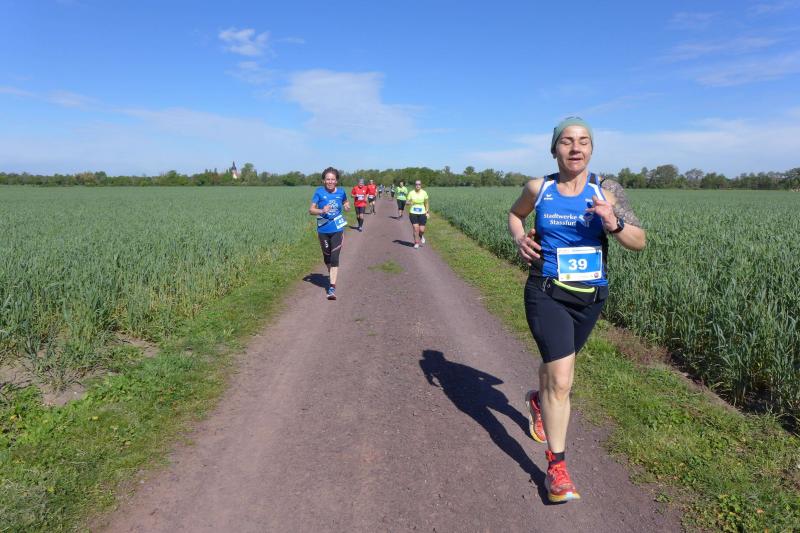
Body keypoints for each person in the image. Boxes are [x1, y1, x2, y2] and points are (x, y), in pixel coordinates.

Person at [508, 117, 646, 503]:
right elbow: (515, 215)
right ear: (554, 149)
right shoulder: (539, 188)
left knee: (558, 368)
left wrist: (613, 223)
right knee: (563, 379)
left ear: (592, 149)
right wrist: (520, 239)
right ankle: (557, 469)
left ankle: (539, 401)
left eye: (583, 141)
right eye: (567, 141)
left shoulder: (607, 190)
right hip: (546, 291)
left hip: (590, 298)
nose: (575, 148)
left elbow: (639, 241)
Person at [310, 167, 350, 300]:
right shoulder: (319, 192)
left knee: (334, 258)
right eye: (328, 179)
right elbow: (311, 210)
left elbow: (345, 201)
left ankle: (331, 288)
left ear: (336, 181)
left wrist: (346, 206)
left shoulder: (341, 192)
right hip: (323, 230)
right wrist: (322, 210)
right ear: (323, 180)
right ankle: (331, 272)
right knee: (327, 258)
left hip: (337, 229)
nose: (330, 182)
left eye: (333, 179)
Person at [406, 180, 430, 249]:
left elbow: (426, 203)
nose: (418, 185)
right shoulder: (411, 193)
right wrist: (409, 203)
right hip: (413, 213)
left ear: (421, 185)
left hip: (422, 213)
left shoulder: (424, 193)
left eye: (419, 184)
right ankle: (416, 243)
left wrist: (427, 212)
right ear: (415, 185)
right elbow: (407, 202)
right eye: (416, 184)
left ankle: (421, 235)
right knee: (416, 228)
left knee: (422, 230)